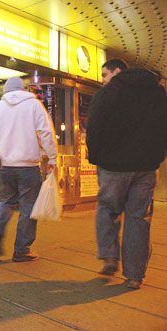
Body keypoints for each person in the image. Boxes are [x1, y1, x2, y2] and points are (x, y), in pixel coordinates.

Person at [87, 60, 166, 289]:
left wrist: (96, 157)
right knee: (138, 219)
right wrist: (158, 156)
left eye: (104, 74)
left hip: (113, 167)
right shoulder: (158, 94)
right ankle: (134, 276)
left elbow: (94, 127)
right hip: (146, 168)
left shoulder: (107, 93)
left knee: (106, 209)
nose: (103, 79)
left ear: (118, 71)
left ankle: (110, 256)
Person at [0, 77, 57, 262]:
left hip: (6, 166)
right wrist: (52, 157)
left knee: (6, 200)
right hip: (28, 167)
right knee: (28, 208)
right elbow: (46, 132)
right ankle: (22, 250)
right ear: (23, 89)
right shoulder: (33, 105)